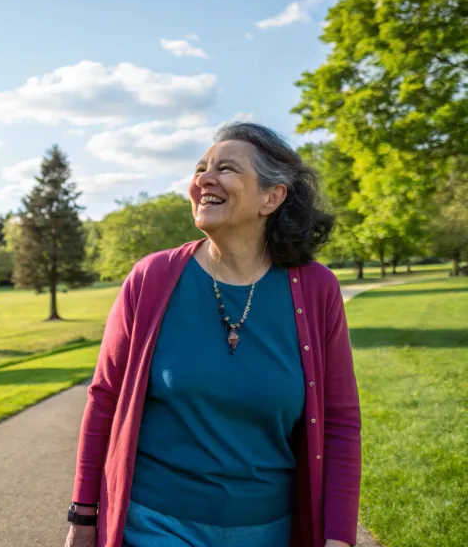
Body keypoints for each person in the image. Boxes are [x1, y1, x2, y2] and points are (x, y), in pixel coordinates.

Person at [64, 122, 361, 547]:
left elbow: (340, 421)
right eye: (201, 168)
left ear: (271, 197)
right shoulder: (152, 277)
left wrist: (339, 536)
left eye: (225, 168)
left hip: (267, 529)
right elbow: (105, 398)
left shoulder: (316, 289)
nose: (203, 179)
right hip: (154, 523)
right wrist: (84, 513)